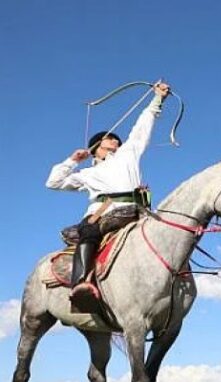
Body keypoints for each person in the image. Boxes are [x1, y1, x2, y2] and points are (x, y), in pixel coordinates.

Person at [46, 82, 171, 310]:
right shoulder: (87, 173)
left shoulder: (127, 155)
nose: (116, 139)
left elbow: (142, 125)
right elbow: (53, 182)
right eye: (109, 138)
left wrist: (157, 99)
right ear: (97, 147)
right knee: (89, 230)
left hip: (137, 211)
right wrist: (72, 160)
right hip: (102, 214)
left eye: (116, 138)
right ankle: (82, 284)